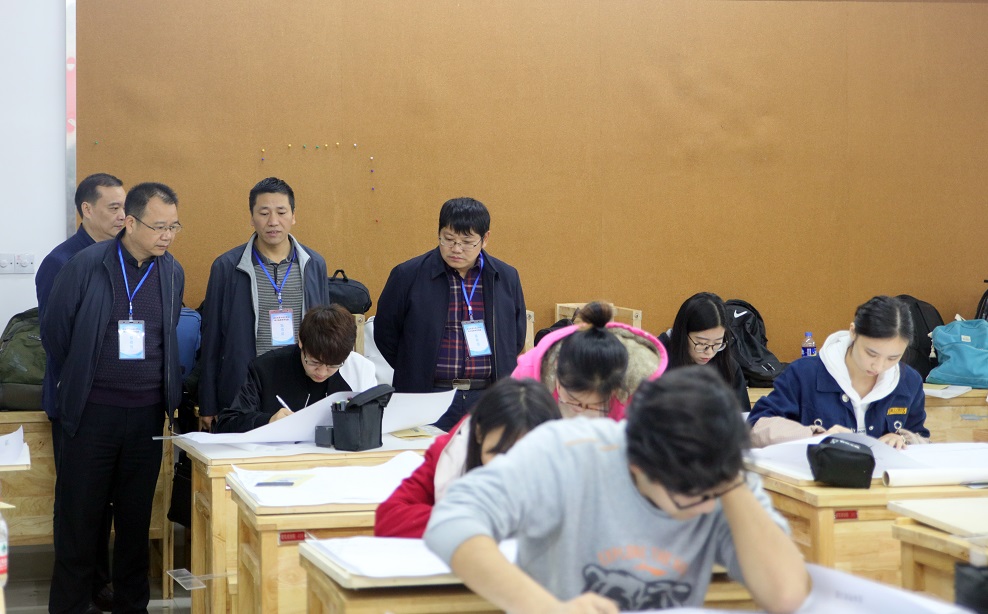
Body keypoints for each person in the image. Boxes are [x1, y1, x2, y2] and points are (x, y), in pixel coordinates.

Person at [424, 367, 810, 613]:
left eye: (717, 492)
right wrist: (544, 607)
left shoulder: (721, 471)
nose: (708, 508)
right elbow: (452, 521)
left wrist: (733, 485)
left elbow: (788, 595)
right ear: (637, 463)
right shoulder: (568, 451)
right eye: (692, 496)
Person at [42, 182, 184, 614]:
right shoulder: (86, 265)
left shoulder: (172, 271)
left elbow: (167, 335)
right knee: (80, 521)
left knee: (135, 521)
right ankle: (71, 606)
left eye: (174, 226)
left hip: (146, 416)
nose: (167, 236)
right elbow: (56, 334)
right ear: (131, 222)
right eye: (159, 227)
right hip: (92, 413)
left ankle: (132, 605)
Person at [35, 172, 125, 613]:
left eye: (125, 206)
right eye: (113, 207)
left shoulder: (123, 256)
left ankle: (99, 583)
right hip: (76, 402)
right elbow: (58, 337)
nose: (123, 216)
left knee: (104, 499)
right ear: (86, 210)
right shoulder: (61, 261)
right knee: (77, 504)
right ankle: (75, 594)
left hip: (112, 402)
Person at [375, 197, 527, 431]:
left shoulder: (505, 277)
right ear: (439, 233)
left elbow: (515, 336)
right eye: (448, 239)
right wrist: (415, 365)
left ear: (485, 239)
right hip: (427, 394)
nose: (456, 249)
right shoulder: (408, 275)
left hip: (487, 396)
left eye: (467, 242)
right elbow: (385, 333)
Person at [199, 177, 330, 430]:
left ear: (293, 216)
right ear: (252, 217)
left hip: (300, 384)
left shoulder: (314, 264)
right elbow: (211, 338)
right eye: (264, 213)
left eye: (281, 212)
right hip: (246, 387)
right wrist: (208, 402)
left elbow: (323, 332)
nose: (273, 221)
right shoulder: (227, 267)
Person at [375, 378, 561, 538]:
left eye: (524, 458)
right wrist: (468, 520)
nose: (508, 468)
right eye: (498, 453)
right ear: (479, 433)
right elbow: (388, 518)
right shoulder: (450, 455)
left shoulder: (567, 467)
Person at [747, 295, 930, 449]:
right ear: (853, 332)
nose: (879, 366)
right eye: (871, 353)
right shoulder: (804, 374)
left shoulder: (908, 381)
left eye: (893, 358)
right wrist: (816, 436)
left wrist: (903, 439)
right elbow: (756, 427)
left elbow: (922, 438)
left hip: (883, 479)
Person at [214, 304, 377, 433]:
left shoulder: (360, 370)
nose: (321, 372)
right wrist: (267, 421)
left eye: (333, 365)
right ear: (300, 341)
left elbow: (373, 425)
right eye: (314, 362)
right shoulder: (265, 369)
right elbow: (226, 425)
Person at [513, 301, 667, 420]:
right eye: (574, 403)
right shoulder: (527, 377)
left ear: (614, 390)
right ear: (557, 375)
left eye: (594, 406)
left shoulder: (639, 390)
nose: (582, 417)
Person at [658, 292, 748, 410]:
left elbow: (741, 415)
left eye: (717, 343)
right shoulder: (657, 359)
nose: (710, 352)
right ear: (683, 334)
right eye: (701, 343)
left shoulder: (728, 366)